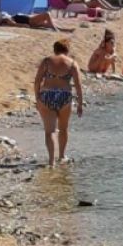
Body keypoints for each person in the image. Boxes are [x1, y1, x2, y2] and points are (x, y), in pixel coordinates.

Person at [33, 39, 84, 167]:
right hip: (64, 96)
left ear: (54, 50)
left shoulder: (47, 61)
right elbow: (78, 85)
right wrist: (80, 104)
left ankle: (51, 162)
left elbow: (37, 81)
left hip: (47, 95)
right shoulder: (72, 63)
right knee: (63, 129)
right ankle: (61, 156)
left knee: (49, 131)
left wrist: (37, 97)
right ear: (67, 50)